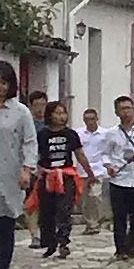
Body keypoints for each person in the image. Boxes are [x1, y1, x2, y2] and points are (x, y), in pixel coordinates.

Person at [87, 95, 134, 260]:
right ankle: (120, 249)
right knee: (119, 216)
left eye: (129, 108)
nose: (126, 112)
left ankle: (133, 246)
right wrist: (109, 166)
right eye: (122, 109)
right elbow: (105, 154)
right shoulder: (112, 133)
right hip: (118, 179)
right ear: (117, 112)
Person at [28, 96, 87, 259]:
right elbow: (34, 153)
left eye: (63, 113)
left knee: (64, 209)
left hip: (66, 176)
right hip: (47, 176)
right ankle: (49, 242)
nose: (61, 116)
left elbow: (79, 154)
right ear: (50, 115)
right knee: (46, 211)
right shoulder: (42, 134)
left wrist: (89, 173)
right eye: (57, 113)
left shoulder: (71, 134)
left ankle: (63, 242)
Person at [0, 63, 32, 269]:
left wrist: (27, 169)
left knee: (5, 227)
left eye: (3, 82)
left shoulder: (20, 112)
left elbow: (29, 142)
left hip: (9, 176)